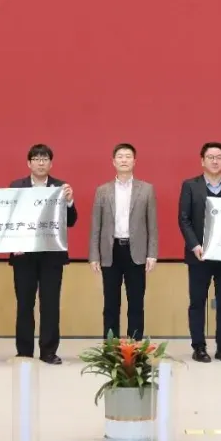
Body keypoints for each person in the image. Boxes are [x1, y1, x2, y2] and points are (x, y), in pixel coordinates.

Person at [9, 143, 78, 364]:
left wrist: (69, 202)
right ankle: (24, 351)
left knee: (50, 304)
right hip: (24, 256)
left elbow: (71, 221)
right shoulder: (16, 186)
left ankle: (48, 351)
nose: (41, 163)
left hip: (51, 256)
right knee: (24, 304)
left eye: (45, 159)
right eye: (36, 159)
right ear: (29, 163)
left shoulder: (60, 187)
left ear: (51, 163)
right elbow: (8, 219)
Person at [179, 141, 221, 363]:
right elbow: (184, 219)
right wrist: (194, 245)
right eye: (210, 157)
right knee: (197, 302)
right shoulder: (190, 185)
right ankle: (198, 347)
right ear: (202, 161)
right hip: (199, 254)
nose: (215, 161)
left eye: (219, 157)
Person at [89, 143, 158, 341]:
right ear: (113, 161)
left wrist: (152, 253)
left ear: (134, 161)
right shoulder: (103, 190)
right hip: (110, 252)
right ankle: (111, 347)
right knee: (111, 303)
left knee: (136, 302)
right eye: (120, 156)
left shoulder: (146, 189)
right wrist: (94, 255)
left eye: (128, 156)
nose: (124, 160)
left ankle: (135, 347)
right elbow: (96, 225)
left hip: (136, 252)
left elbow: (152, 224)